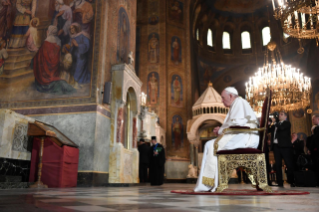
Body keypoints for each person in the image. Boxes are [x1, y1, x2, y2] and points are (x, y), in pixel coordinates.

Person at [194, 87, 259, 192]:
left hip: (246, 137)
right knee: (210, 144)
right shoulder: (237, 104)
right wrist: (221, 130)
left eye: (223, 98)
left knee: (211, 145)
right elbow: (234, 123)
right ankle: (209, 183)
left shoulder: (239, 102)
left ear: (231, 96)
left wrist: (221, 130)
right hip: (242, 135)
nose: (222, 101)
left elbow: (237, 123)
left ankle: (208, 184)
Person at [32, 25, 75, 94]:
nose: (47, 32)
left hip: (45, 71)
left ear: (49, 32)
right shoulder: (58, 42)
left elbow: (39, 56)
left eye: (48, 31)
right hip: (54, 70)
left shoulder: (46, 43)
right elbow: (56, 58)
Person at [272, 111, 295, 187]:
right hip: (276, 146)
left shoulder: (287, 123)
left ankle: (291, 181)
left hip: (285, 146)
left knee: (288, 164)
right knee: (277, 164)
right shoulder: (275, 125)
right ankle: (280, 182)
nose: (279, 115)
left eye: (281, 114)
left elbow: (281, 128)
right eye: (279, 114)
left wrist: (275, 123)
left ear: (285, 116)